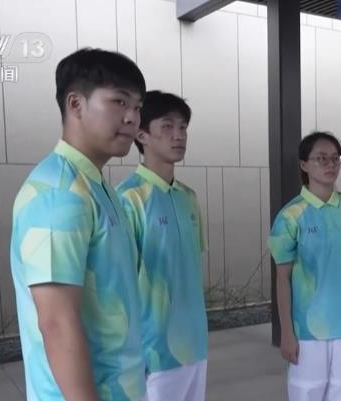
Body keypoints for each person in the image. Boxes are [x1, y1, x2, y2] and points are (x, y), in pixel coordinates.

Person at [9, 48, 146, 401]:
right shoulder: (59, 194)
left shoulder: (96, 187)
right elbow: (57, 323)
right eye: (119, 101)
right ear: (75, 104)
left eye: (137, 107)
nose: (132, 118)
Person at [268, 132, 341, 401]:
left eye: (335, 158)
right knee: (307, 392)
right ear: (304, 164)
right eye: (321, 158)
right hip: (308, 331)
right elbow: (282, 279)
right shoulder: (290, 216)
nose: (330, 164)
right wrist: (286, 333)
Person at [116, 90, 208, 401]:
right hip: (152, 353)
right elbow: (119, 285)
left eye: (183, 127)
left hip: (195, 345)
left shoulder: (188, 197)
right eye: (167, 126)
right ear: (141, 135)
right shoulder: (128, 199)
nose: (178, 135)